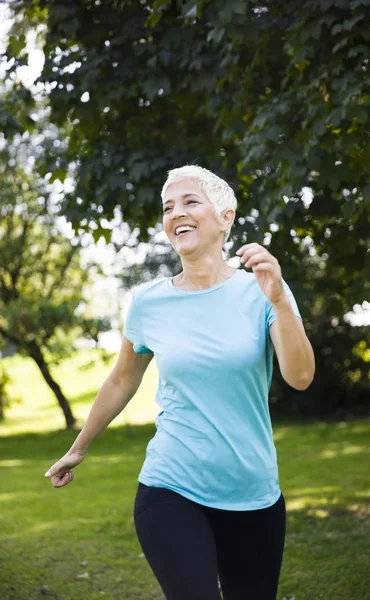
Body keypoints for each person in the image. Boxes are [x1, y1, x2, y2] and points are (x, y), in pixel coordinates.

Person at [44, 165, 315, 600]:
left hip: (253, 493)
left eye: (190, 201)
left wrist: (281, 301)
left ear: (225, 217)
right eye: (169, 207)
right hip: (171, 486)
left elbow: (300, 377)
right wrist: (78, 448)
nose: (176, 213)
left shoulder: (264, 291)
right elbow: (121, 381)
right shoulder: (150, 303)